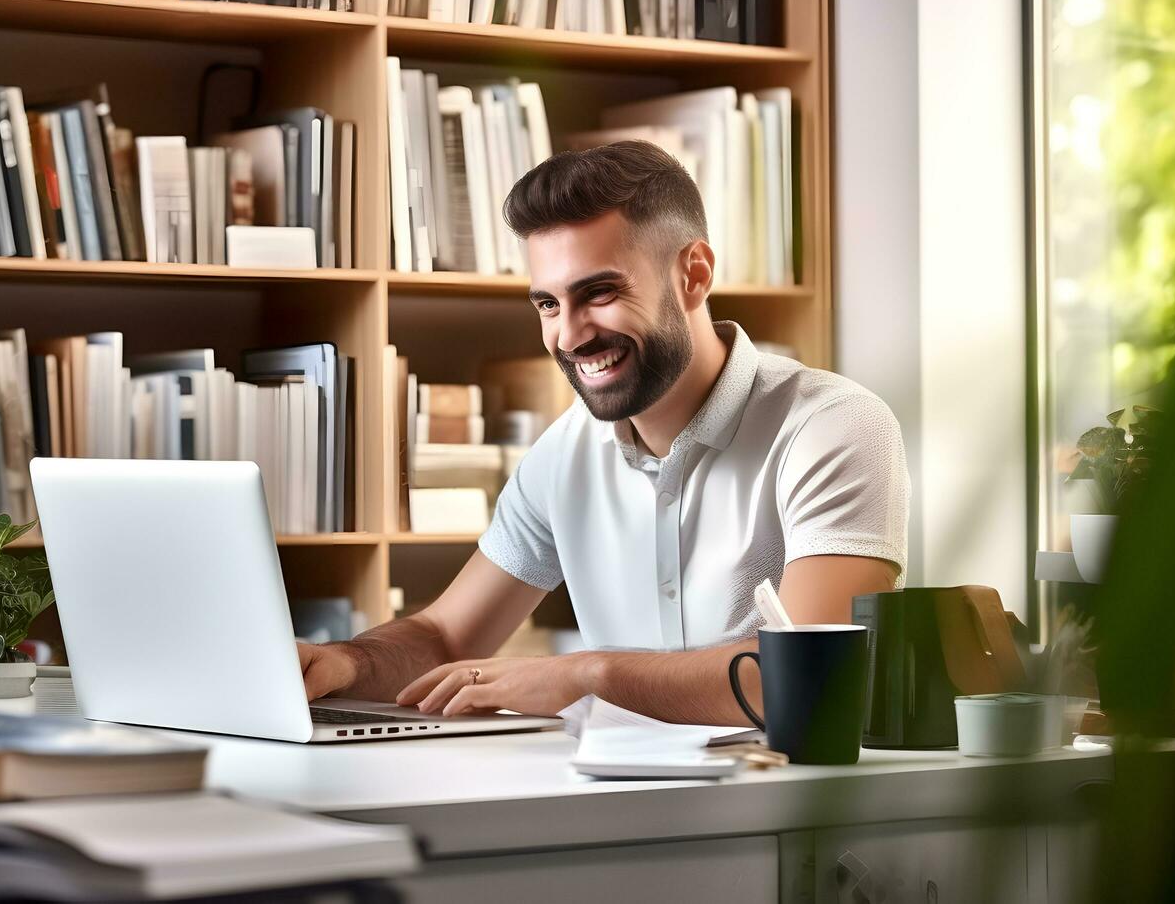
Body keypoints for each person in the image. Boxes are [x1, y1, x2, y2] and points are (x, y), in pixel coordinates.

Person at [299, 140, 910, 726]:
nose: (569, 336)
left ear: (693, 274)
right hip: (613, 799)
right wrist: (347, 663)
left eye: (599, 292)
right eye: (547, 305)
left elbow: (813, 678)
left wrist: (586, 677)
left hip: (789, 805)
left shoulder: (832, 426)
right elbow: (444, 636)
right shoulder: (562, 455)